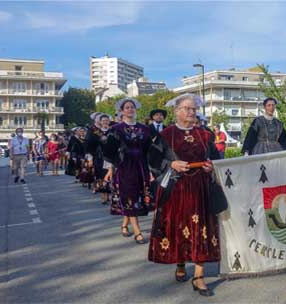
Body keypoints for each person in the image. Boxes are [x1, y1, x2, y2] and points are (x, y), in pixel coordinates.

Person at [148, 93, 220, 297]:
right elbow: (153, 160)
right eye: (187, 109)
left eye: (194, 109)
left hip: (200, 187)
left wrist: (210, 166)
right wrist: (171, 164)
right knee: (179, 227)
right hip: (176, 187)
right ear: (177, 111)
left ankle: (199, 275)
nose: (191, 112)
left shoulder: (205, 134)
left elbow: (214, 157)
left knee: (201, 228)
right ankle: (180, 261)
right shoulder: (165, 135)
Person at [103, 98, 152, 244]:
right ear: (122, 111)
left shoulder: (144, 129)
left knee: (136, 197)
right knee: (129, 195)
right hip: (124, 167)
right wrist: (111, 169)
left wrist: (151, 170)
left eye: (132, 107)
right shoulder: (116, 129)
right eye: (127, 107)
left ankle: (125, 224)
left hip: (141, 166)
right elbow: (109, 151)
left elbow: (149, 150)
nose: (130, 109)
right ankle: (137, 231)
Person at [86, 113, 112, 204]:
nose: (105, 122)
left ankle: (109, 194)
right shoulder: (96, 132)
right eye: (103, 121)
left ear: (109, 121)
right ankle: (103, 195)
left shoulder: (112, 131)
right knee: (101, 175)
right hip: (99, 156)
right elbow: (89, 145)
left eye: (106, 120)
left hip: (110, 157)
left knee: (109, 175)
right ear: (100, 122)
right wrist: (90, 158)